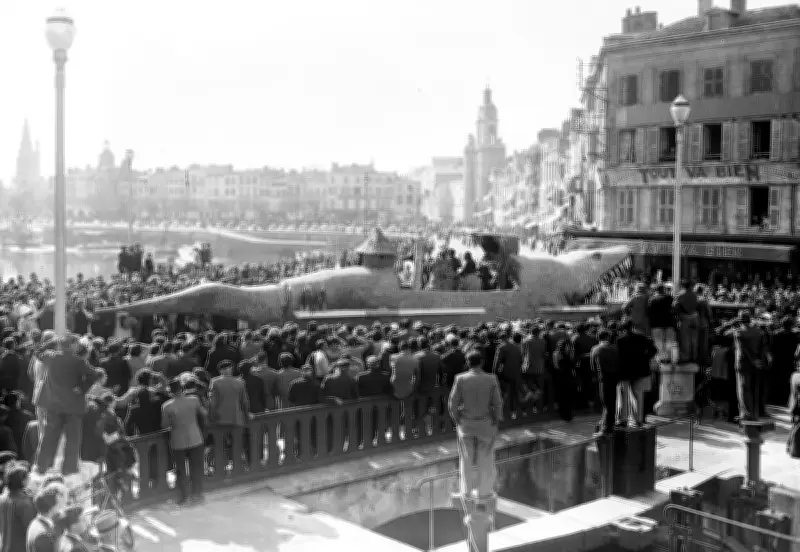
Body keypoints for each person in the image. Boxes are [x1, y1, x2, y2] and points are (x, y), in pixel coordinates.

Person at [33, 335, 102, 477]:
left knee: (48, 437)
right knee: (73, 438)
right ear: (72, 345)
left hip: (53, 404)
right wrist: (82, 388)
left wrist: (52, 341)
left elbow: (37, 351)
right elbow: (94, 374)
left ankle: (42, 467)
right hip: (73, 405)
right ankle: (69, 468)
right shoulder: (77, 361)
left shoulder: (50, 357)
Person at [448, 350, 503, 500]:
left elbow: (452, 403)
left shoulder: (461, 378)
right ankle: (484, 492)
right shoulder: (491, 379)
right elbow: (497, 403)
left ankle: (466, 492)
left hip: (466, 424)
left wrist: (458, 419)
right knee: (486, 460)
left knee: (465, 459)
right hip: (486, 424)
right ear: (482, 362)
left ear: (467, 362)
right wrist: (496, 420)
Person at [161, 377, 207, 505]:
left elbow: (164, 425)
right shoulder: (194, 400)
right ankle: (197, 494)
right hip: (195, 437)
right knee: (197, 468)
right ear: (182, 389)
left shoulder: (167, 406)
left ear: (170, 392)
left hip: (178, 441)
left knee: (181, 470)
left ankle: (184, 496)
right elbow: (203, 414)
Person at [721, 310, 770, 422]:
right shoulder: (759, 331)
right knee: (754, 390)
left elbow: (723, 333)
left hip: (743, 364)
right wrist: (758, 361)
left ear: (740, 320)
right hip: (757, 364)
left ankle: (746, 415)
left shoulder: (738, 331)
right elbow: (763, 347)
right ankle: (754, 413)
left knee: (743, 390)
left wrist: (730, 323)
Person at [0, 462, 36, 552]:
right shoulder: (24, 503)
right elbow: (30, 529)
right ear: (23, 481)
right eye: (28, 477)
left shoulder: (2, 498)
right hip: (20, 548)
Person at [590, 329, 620, 435]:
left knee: (606, 403)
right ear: (607, 337)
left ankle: (606, 427)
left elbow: (593, 367)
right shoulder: (615, 349)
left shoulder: (595, 349)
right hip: (615, 378)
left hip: (602, 379)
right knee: (612, 401)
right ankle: (609, 424)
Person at [26, 484, 64, 552]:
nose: (60, 507)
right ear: (52, 508)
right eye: (58, 503)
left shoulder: (35, 523)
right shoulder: (43, 532)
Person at [673, 279, 699, 363]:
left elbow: (675, 306)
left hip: (685, 318)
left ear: (683, 286)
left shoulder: (680, 295)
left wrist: (678, 316)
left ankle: (686, 357)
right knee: (694, 338)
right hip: (694, 317)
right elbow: (696, 305)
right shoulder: (694, 295)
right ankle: (694, 357)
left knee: (685, 339)